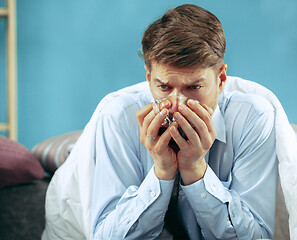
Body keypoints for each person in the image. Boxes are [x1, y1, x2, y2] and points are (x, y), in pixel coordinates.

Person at [91, 4, 278, 240]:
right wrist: (161, 172)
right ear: (149, 79)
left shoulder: (252, 118)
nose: (177, 105)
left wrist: (196, 170)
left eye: (194, 87)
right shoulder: (118, 116)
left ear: (220, 79)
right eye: (164, 87)